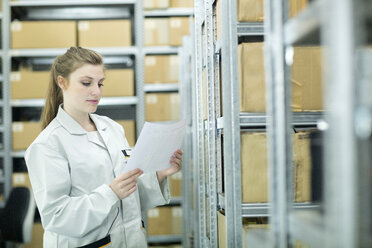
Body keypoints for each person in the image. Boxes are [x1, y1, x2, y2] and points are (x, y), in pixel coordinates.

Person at [24, 46, 183, 248]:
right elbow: (57, 216)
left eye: (100, 84)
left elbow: (128, 195)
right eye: (86, 83)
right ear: (61, 82)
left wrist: (159, 174)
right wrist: (110, 193)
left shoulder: (112, 128)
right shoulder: (48, 145)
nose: (96, 92)